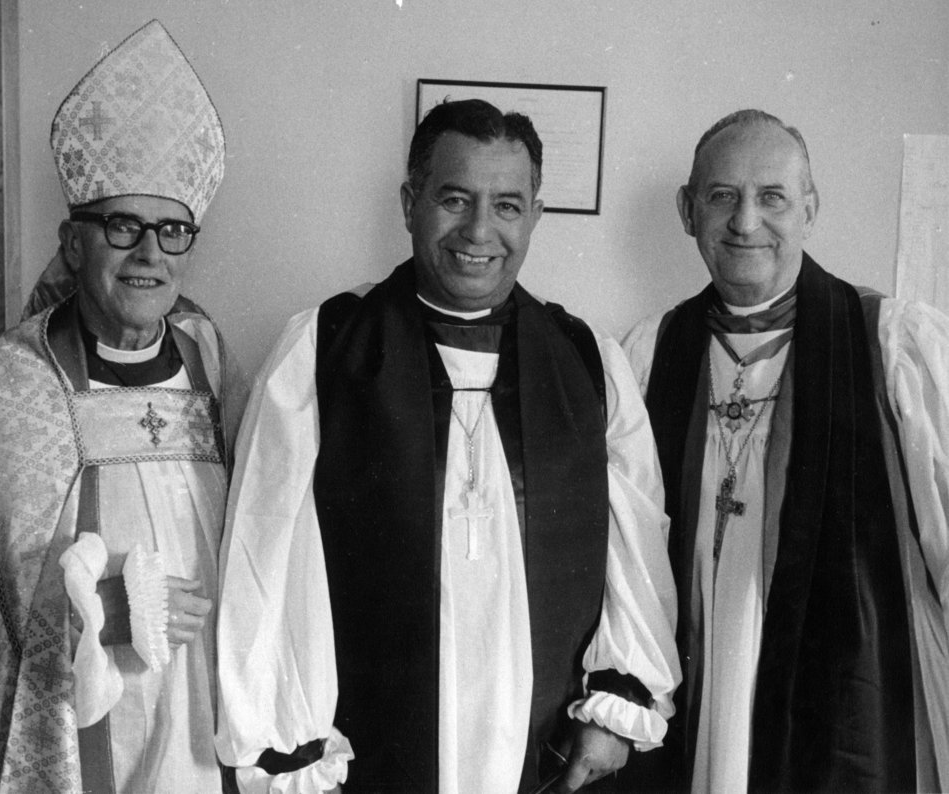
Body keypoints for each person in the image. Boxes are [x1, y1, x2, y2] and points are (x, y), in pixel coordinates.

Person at [215, 98, 681, 793]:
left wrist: (616, 711)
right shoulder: (325, 349)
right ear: (410, 202)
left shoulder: (585, 361)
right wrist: (291, 743)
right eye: (454, 199)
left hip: (541, 747)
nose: (479, 231)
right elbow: (265, 560)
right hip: (373, 749)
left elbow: (636, 551)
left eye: (507, 205)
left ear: (535, 216)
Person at [0, 20, 245, 792]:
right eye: (123, 225)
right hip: (93, 712)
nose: (151, 253)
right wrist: (93, 620)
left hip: (208, 703)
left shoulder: (210, 356)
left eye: (172, 230)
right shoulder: (11, 381)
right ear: (74, 243)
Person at [621, 108, 949, 792]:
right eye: (721, 197)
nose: (745, 222)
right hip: (696, 670)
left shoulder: (891, 342)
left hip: (849, 684)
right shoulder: (651, 352)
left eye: (770, 197)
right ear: (687, 211)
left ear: (809, 208)